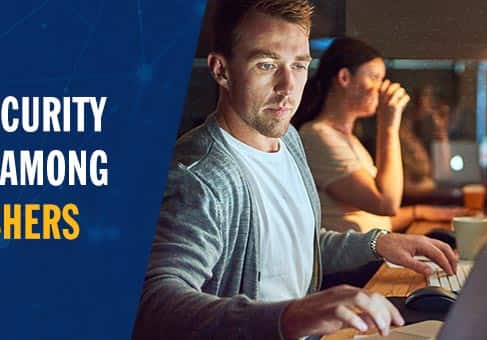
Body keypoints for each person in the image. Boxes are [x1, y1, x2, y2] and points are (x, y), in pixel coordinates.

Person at [133, 2, 459, 339]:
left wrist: (379, 243)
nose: (288, 86)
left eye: (299, 65)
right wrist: (290, 316)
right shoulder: (200, 176)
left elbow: (297, 242)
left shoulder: (287, 139)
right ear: (221, 70)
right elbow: (153, 303)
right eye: (266, 64)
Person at [295, 37, 469, 235]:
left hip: (369, 252)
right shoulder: (317, 135)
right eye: (375, 77)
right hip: (353, 263)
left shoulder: (347, 138)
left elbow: (373, 220)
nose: (381, 87)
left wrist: (416, 212)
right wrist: (388, 125)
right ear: (345, 78)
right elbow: (386, 203)